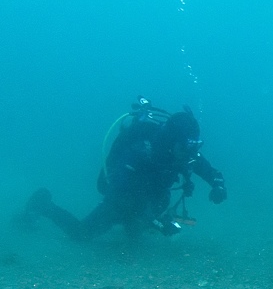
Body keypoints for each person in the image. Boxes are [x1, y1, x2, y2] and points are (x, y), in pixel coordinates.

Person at [24, 98, 227, 241]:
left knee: (135, 232)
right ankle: (43, 204)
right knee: (82, 234)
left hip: (151, 200)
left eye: (194, 146)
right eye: (186, 146)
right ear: (172, 140)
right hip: (121, 199)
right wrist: (156, 223)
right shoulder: (141, 150)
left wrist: (217, 185)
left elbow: (208, 170)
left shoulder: (183, 152)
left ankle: (137, 224)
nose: (190, 153)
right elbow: (121, 192)